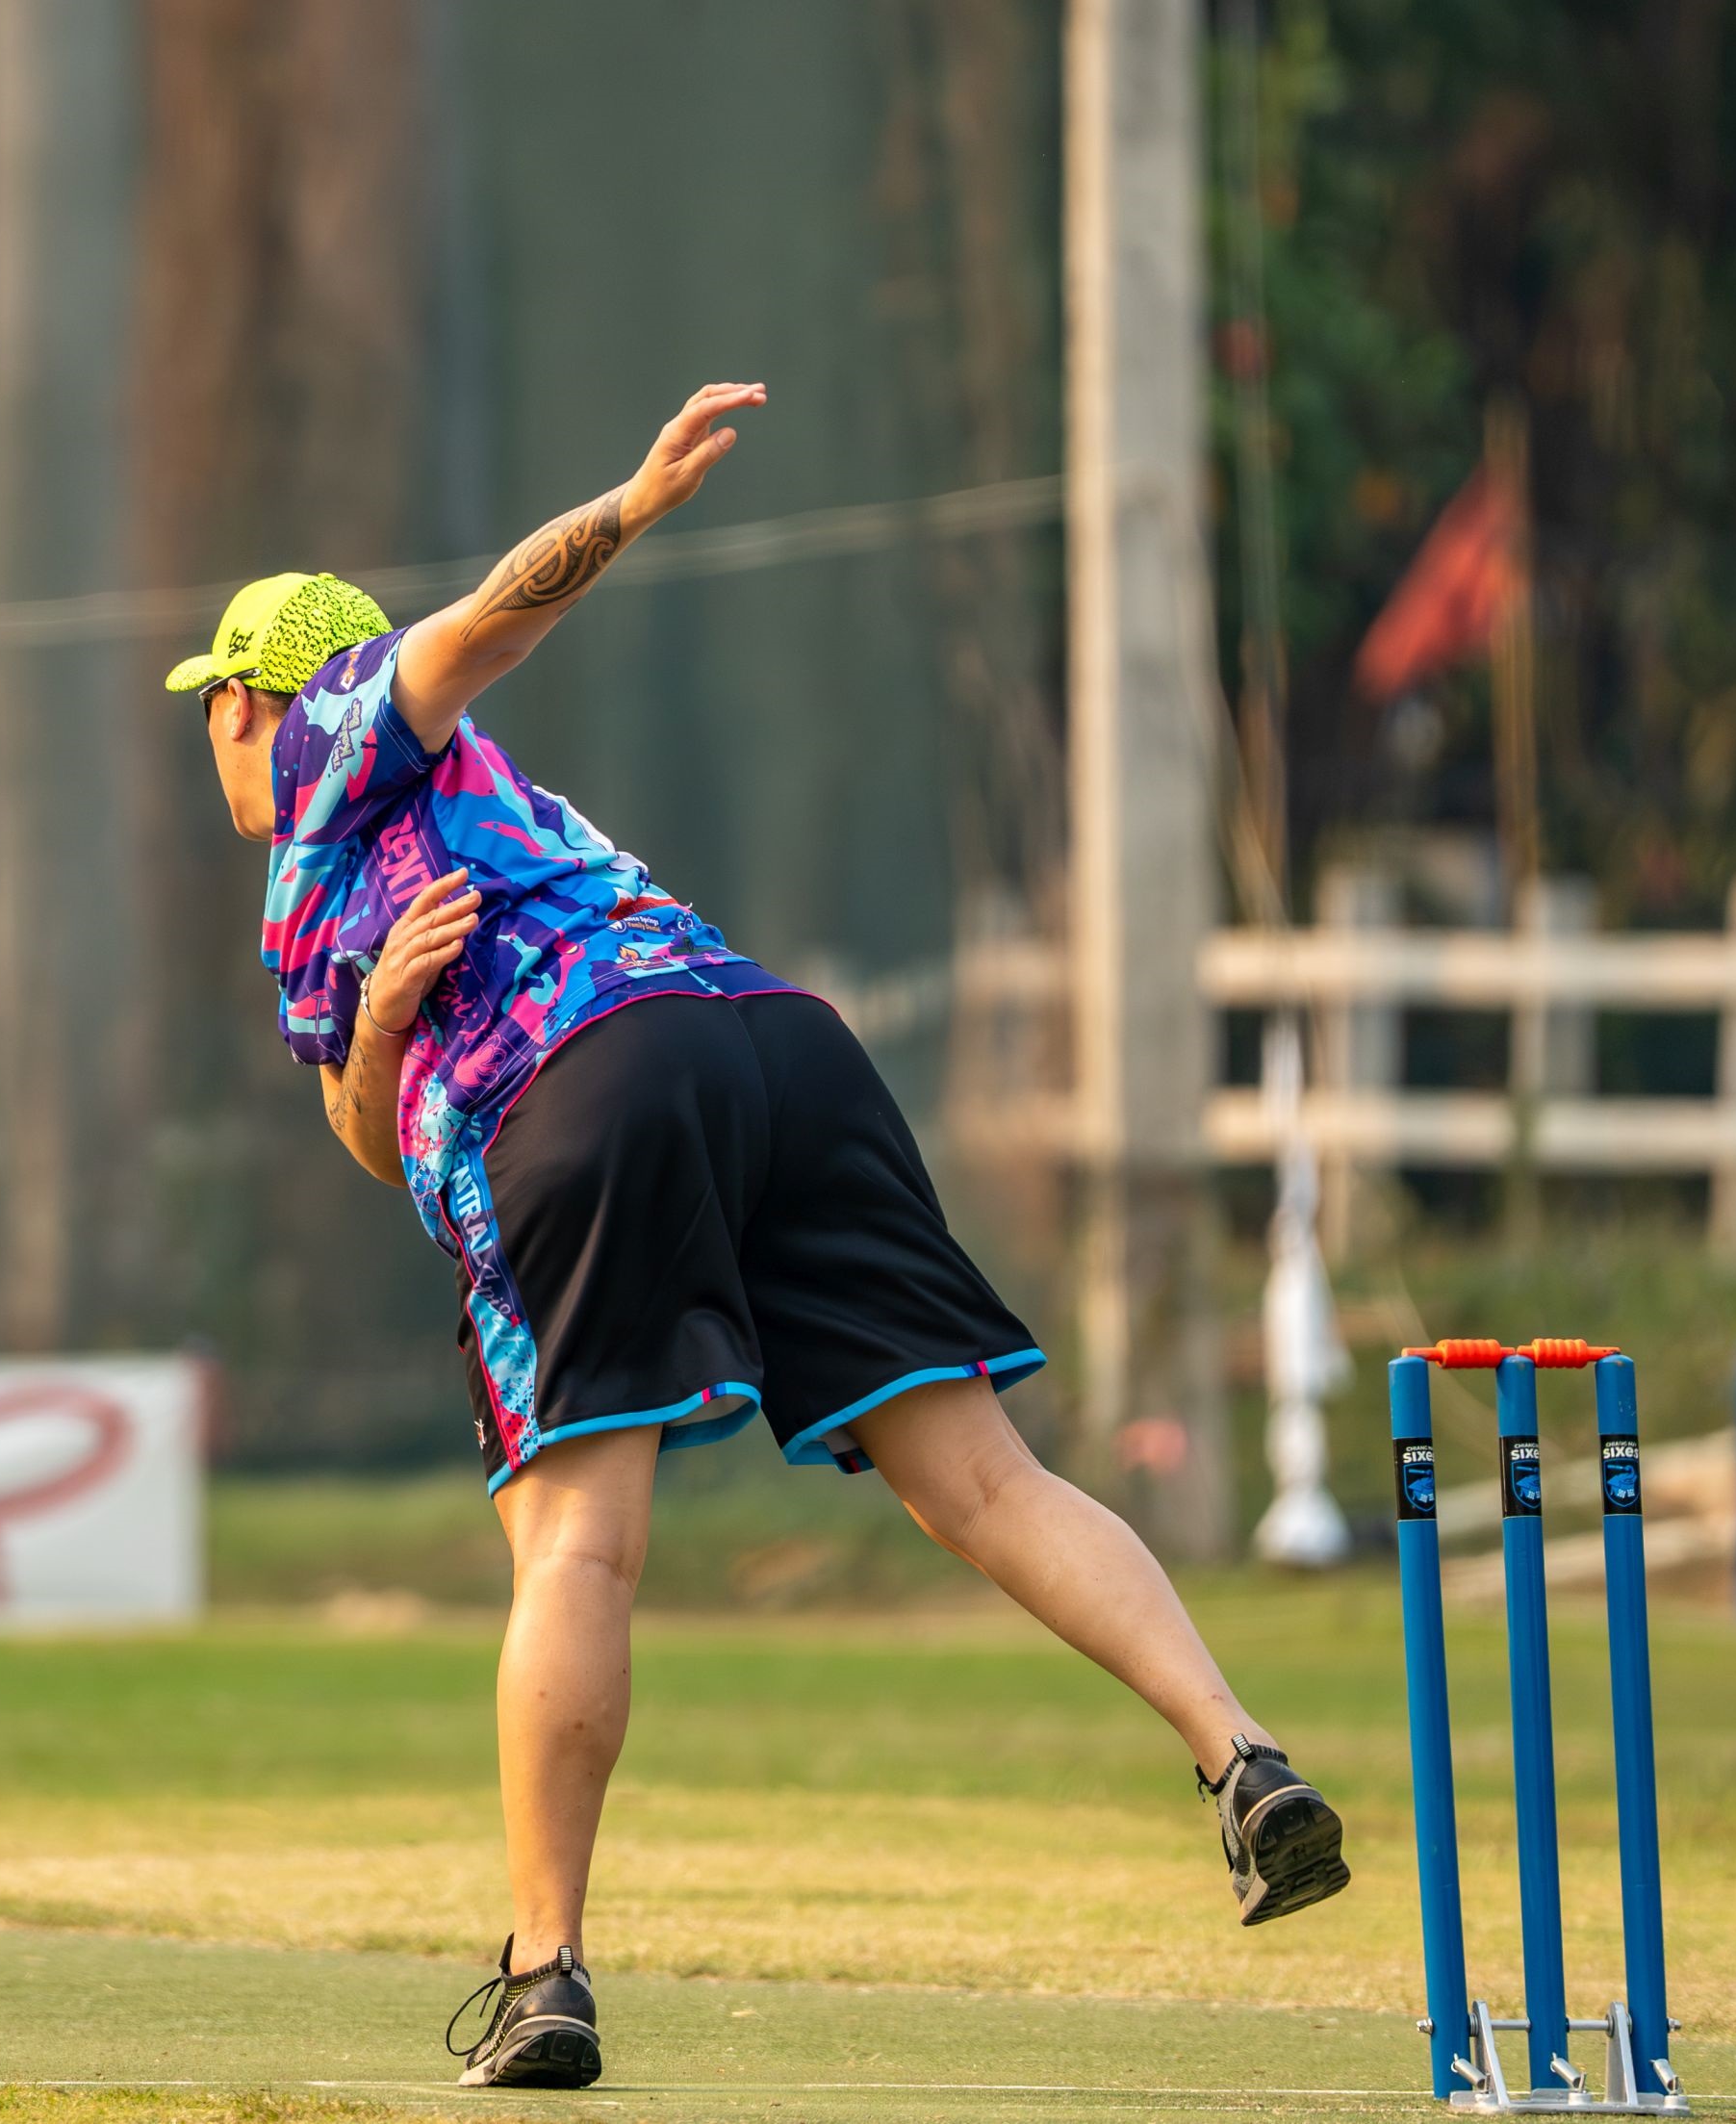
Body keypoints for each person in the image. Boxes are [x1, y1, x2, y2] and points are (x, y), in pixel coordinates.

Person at [164, 384, 1349, 2091]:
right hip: (777, 1050)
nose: (213, 737)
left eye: (215, 706)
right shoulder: (317, 899)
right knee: (981, 1479)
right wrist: (382, 1019)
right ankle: (1240, 1757)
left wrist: (628, 507)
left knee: (577, 1549)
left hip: (592, 1081)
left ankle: (545, 1972)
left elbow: (485, 624)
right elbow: (368, 1133)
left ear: (255, 695)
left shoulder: (338, 728)